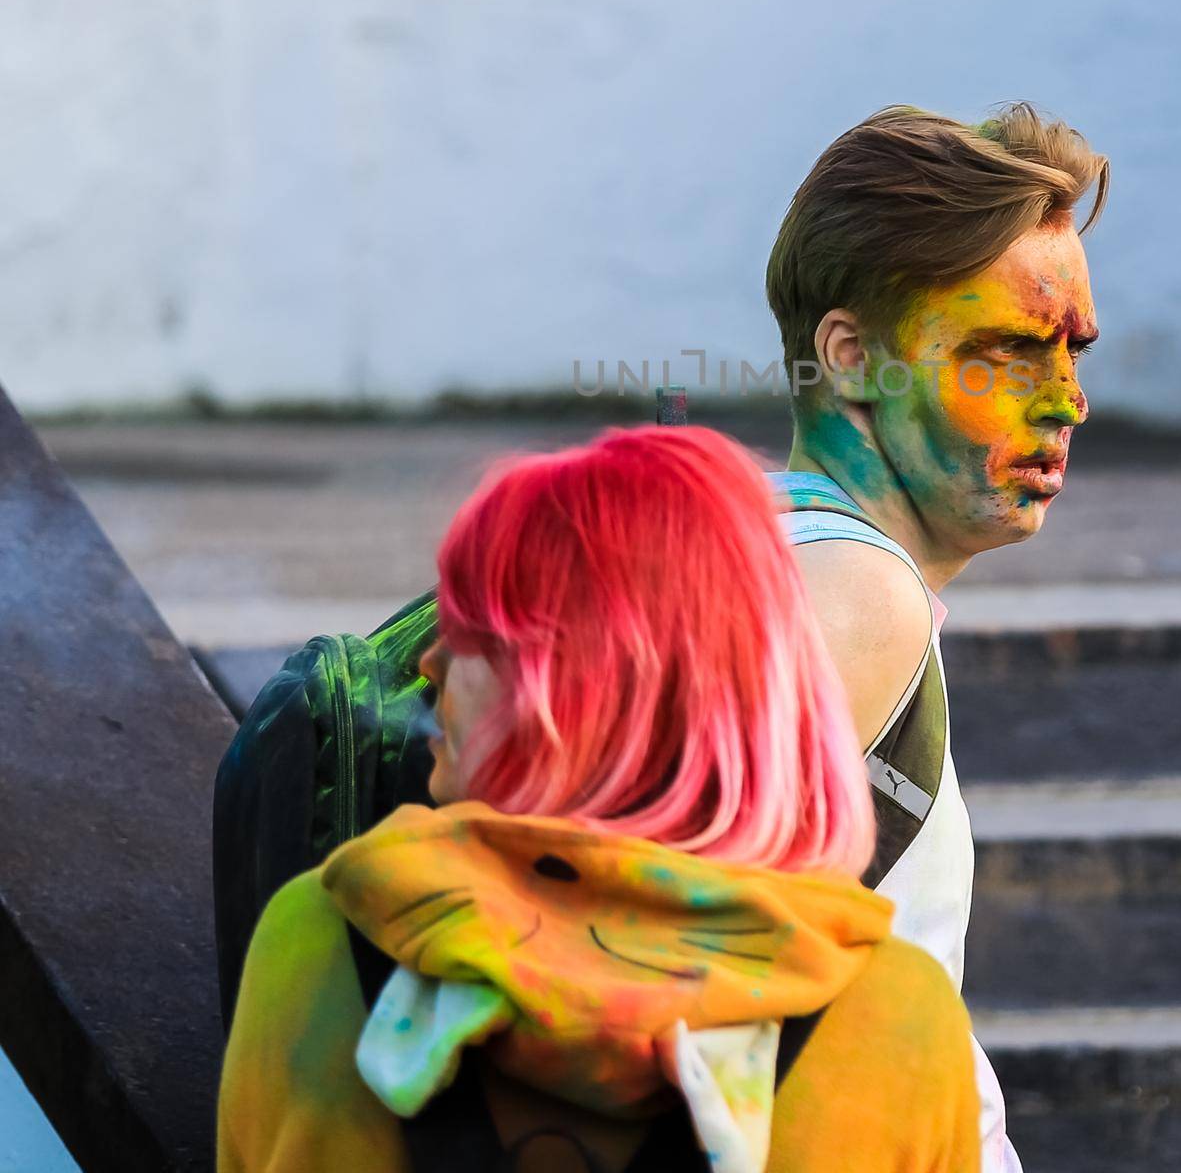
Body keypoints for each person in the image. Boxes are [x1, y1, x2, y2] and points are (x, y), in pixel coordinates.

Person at [217, 424, 979, 1173]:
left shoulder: (325, 938)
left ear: (575, 694)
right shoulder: (894, 1016)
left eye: (472, 629)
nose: (432, 660)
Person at [764, 101, 1107, 1170]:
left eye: (1071, 350)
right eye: (1006, 351)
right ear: (853, 357)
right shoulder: (856, 596)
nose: (1066, 403)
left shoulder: (780, 546)